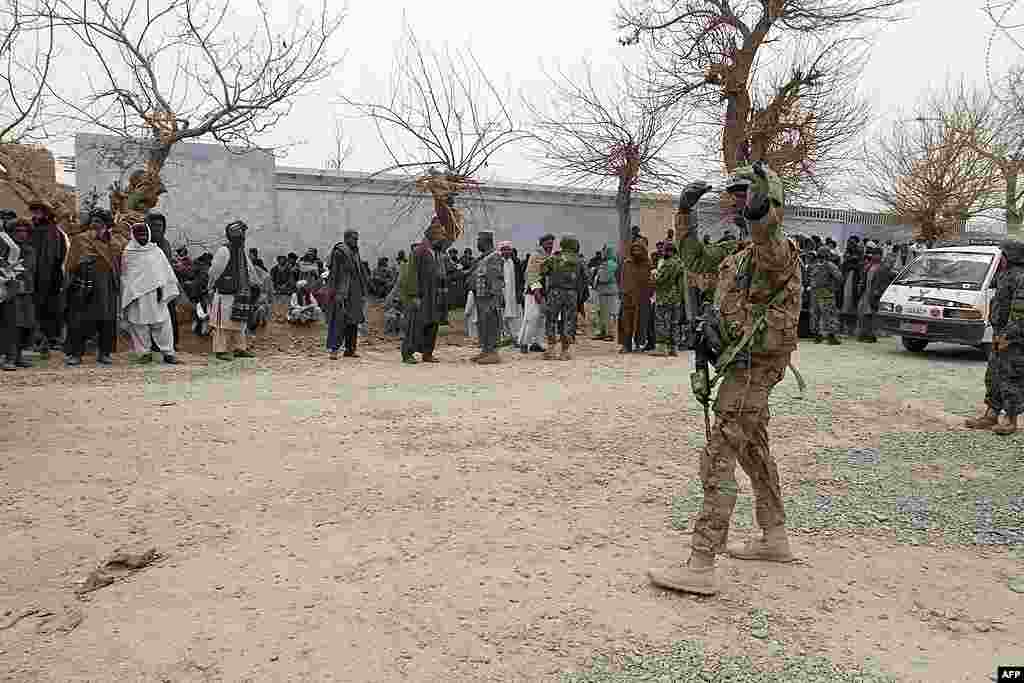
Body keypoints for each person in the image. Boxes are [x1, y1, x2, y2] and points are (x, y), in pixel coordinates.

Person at [649, 162, 802, 596]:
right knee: (754, 450)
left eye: (743, 192)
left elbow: (769, 243)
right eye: (732, 192)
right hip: (742, 363)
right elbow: (694, 261)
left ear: (765, 197)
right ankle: (775, 537)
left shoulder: (775, 249)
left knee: (719, 455)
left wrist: (761, 211)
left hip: (754, 366)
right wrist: (685, 214)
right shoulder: (736, 255)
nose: (734, 199)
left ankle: (701, 562)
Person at [65, 208, 124, 367]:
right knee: (80, 320)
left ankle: (104, 353)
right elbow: (70, 263)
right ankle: (75, 354)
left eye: (98, 221)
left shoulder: (115, 243)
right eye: (93, 221)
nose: (94, 224)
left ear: (106, 224)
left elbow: (119, 266)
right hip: (85, 284)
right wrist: (81, 265)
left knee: (107, 320)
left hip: (107, 285)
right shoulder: (80, 239)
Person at [120, 222, 179, 364]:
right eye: (139, 235)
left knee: (163, 324)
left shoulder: (156, 251)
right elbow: (125, 275)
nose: (143, 237)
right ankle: (143, 353)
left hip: (157, 295)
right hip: (137, 296)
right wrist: (130, 293)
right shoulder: (128, 253)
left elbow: (165, 271)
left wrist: (163, 289)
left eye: (145, 234)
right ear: (133, 236)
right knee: (138, 325)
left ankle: (168, 353)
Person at [208, 221, 257, 361]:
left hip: (240, 293)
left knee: (239, 323)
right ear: (232, 236)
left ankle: (240, 349)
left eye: (243, 234)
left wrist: (254, 283)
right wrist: (210, 286)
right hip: (224, 294)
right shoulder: (224, 250)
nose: (242, 237)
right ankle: (220, 350)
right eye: (239, 234)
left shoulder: (241, 251)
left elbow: (250, 269)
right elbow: (214, 272)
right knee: (222, 325)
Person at [400, 221, 447, 364]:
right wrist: (414, 295)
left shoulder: (437, 253)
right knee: (415, 325)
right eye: (441, 236)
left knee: (432, 325)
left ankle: (427, 353)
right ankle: (408, 353)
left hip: (434, 296)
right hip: (422, 296)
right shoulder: (419, 251)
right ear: (432, 236)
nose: (443, 239)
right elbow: (411, 273)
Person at [539, 233, 589, 360]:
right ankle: (565, 351)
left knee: (551, 320)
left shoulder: (554, 258)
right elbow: (586, 278)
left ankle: (551, 350)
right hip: (572, 294)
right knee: (569, 321)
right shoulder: (580, 260)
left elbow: (542, 271)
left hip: (555, 293)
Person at [27, 200, 68, 356]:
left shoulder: (55, 231)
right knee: (33, 306)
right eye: (34, 211)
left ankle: (52, 339)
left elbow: (60, 255)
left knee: (51, 308)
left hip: (51, 276)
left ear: (46, 213)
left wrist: (56, 274)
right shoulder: (29, 229)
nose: (36, 214)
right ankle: (35, 338)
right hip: (32, 275)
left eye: (39, 211)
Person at [324, 229, 367, 359]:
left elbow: (360, 272)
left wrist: (364, 289)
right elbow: (334, 275)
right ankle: (334, 350)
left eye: (357, 238)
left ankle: (350, 350)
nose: (356, 241)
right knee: (339, 322)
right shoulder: (339, 252)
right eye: (354, 238)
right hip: (342, 293)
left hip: (355, 293)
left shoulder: (355, 252)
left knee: (353, 322)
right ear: (346, 238)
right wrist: (334, 292)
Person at [143, 211, 182, 349]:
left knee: (169, 316)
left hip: (166, 286)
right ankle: (153, 345)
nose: (157, 228)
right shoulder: (143, 245)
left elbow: (168, 267)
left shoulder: (165, 244)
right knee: (151, 317)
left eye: (160, 225)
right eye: (153, 225)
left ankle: (171, 344)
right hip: (149, 287)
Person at [3, 219, 36, 368]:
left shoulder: (30, 249)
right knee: (11, 325)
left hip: (27, 290)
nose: (22, 234)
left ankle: (18, 356)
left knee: (26, 324)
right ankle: (9, 358)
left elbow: (31, 270)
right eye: (18, 231)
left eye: (25, 231)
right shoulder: (6, 249)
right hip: (10, 291)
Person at [518, 234, 555, 353]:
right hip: (534, 292)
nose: (550, 245)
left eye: (552, 243)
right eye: (548, 243)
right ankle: (524, 343)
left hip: (545, 292)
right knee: (531, 318)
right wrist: (537, 293)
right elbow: (532, 276)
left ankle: (537, 343)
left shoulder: (549, 256)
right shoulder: (535, 256)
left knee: (541, 319)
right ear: (542, 243)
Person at [472, 230, 504, 364]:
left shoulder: (494, 257)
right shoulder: (484, 257)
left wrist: (495, 300)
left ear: (486, 241)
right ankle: (485, 351)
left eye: (478, 241)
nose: (477, 243)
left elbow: (496, 280)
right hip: (481, 297)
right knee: (483, 324)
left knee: (491, 324)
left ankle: (492, 353)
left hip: (489, 298)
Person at [619, 237, 651, 353]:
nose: (636, 251)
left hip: (642, 297)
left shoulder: (647, 264)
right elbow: (622, 278)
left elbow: (650, 280)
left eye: (639, 249)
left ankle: (639, 344)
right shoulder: (627, 263)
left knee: (641, 322)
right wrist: (623, 292)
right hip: (628, 296)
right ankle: (625, 344)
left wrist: (649, 293)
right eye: (634, 249)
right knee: (625, 321)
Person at [652, 241, 684, 356]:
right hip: (676, 297)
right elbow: (681, 284)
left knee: (661, 322)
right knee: (674, 323)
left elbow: (660, 280)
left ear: (668, 251)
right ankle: (673, 348)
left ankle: (662, 348)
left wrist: (654, 275)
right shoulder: (680, 263)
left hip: (664, 297)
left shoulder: (667, 264)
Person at [807, 246, 843, 344]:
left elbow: (809, 279)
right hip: (826, 293)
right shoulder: (830, 265)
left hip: (814, 293)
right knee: (829, 314)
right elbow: (839, 277)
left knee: (815, 315)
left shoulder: (813, 266)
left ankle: (817, 336)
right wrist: (834, 288)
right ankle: (831, 337)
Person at [590, 243, 618, 341]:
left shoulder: (611, 264)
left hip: (609, 291)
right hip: (602, 291)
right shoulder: (605, 263)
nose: (603, 252)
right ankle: (602, 332)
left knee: (609, 314)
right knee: (601, 313)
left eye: (605, 250)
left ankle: (610, 333)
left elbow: (604, 277)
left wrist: (597, 273)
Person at [498, 241, 522, 343]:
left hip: (513, 294)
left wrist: (519, 292)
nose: (506, 251)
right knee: (502, 316)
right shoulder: (498, 263)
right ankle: (505, 337)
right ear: (500, 251)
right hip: (502, 294)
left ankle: (516, 337)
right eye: (504, 249)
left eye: (508, 249)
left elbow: (521, 279)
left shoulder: (516, 263)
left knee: (515, 316)